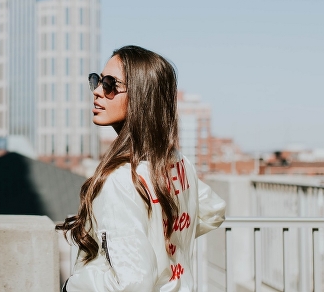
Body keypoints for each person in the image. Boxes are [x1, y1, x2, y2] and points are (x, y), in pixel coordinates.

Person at [57, 45, 227, 292]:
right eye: (97, 80)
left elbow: (132, 283)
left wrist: (73, 285)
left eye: (110, 84)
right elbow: (213, 209)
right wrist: (163, 238)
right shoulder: (177, 162)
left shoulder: (120, 179)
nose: (97, 91)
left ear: (141, 96)